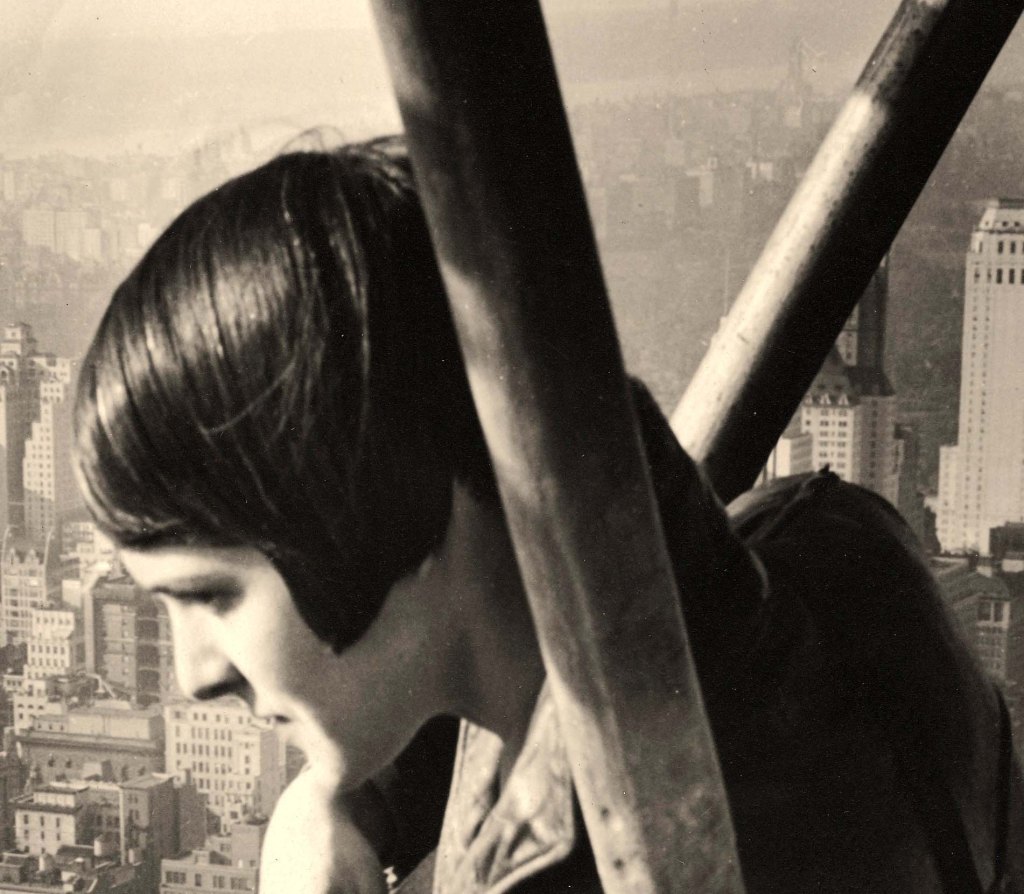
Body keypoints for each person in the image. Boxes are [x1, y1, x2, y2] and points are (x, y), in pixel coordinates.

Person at [73, 137, 1022, 893]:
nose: (194, 673)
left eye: (211, 594)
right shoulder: (836, 546)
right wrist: (343, 801)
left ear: (375, 496)